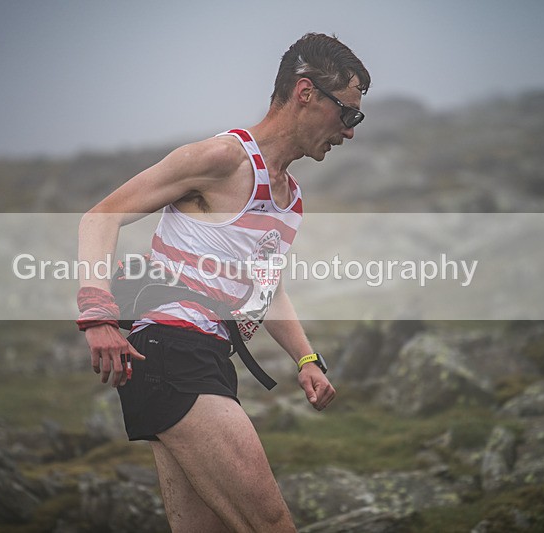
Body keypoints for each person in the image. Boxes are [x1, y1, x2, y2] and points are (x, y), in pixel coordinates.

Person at [77, 32, 370, 532]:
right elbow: (101, 217)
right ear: (305, 93)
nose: (349, 132)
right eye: (348, 113)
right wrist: (97, 315)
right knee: (272, 525)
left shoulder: (290, 199)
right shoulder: (222, 158)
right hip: (170, 352)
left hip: (202, 357)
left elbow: (265, 287)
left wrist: (306, 360)